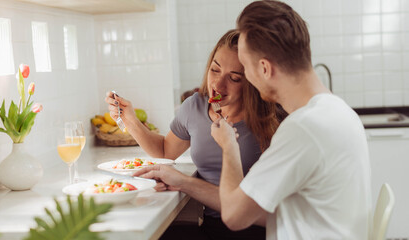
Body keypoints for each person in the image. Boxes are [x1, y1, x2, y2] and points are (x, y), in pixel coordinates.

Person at [210, 1, 372, 240]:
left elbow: (234, 216)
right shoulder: (338, 111)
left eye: (244, 68)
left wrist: (229, 147)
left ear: (264, 68)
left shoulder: (304, 128)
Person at [105, 29, 286, 239]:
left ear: (253, 81)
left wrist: (183, 181)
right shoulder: (194, 107)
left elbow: (262, 206)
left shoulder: (272, 120)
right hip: (212, 226)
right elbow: (165, 151)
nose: (217, 85)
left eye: (234, 78)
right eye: (214, 70)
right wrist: (130, 119)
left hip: (259, 230)